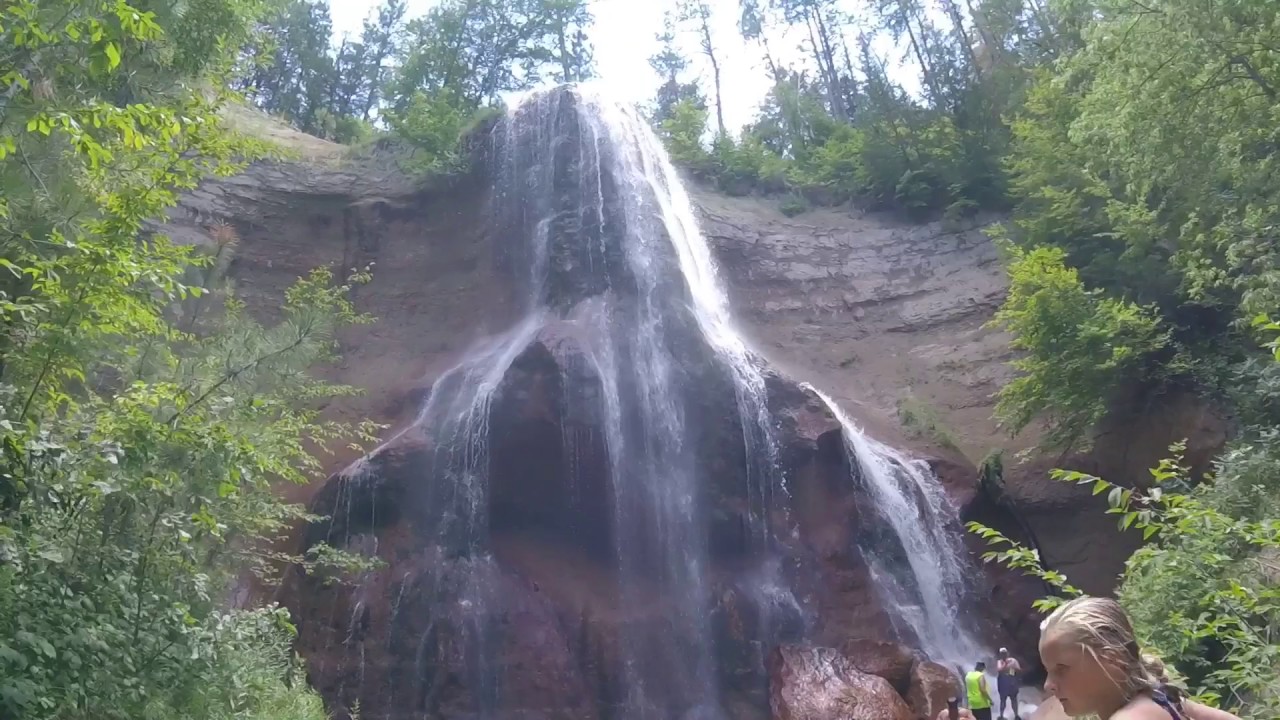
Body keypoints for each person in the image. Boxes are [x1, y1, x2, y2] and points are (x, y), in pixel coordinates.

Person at [1039, 596, 1245, 720]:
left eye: (1062, 669)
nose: (1049, 685)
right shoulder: (1161, 698)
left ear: (1113, 659)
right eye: (1048, 671)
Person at [997, 647, 1022, 720]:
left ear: (1007, 653)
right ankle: (1001, 716)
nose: (1003, 655)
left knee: (1014, 700)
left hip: (1012, 683)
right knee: (1003, 700)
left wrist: (1012, 669)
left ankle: (1016, 715)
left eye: (1004, 653)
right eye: (1001, 654)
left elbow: (1019, 670)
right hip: (1003, 685)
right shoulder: (999, 662)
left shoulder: (1013, 660)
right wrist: (1005, 664)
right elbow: (999, 670)